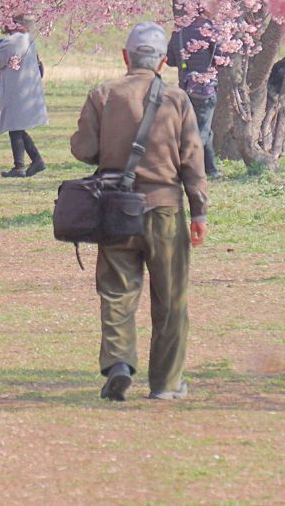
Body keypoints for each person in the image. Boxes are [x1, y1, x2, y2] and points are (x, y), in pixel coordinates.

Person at [71, 22, 209, 402]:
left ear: (125, 56)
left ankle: (118, 364)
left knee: (117, 292)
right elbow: (193, 160)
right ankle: (166, 383)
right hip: (164, 209)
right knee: (171, 298)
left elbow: (82, 149)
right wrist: (199, 212)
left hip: (115, 209)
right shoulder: (177, 99)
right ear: (163, 61)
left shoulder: (103, 94)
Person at [168, 15, 226, 180]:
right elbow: (221, 60)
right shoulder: (212, 31)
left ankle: (211, 170)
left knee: (202, 130)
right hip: (205, 90)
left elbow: (170, 60)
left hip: (185, 90)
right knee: (201, 131)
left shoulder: (179, 33)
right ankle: (186, 169)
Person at [0, 14, 48, 177]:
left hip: (15, 89)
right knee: (16, 127)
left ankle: (22, 165)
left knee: (14, 126)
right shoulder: (29, 39)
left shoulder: (11, 42)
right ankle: (32, 162)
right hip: (27, 88)